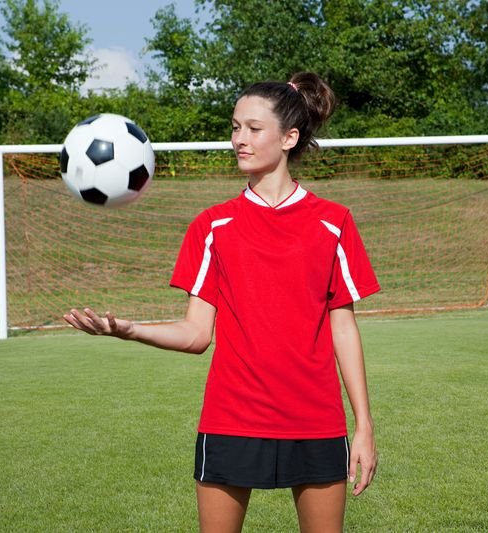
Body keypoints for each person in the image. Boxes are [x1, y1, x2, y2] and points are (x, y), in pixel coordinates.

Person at [64, 71, 380, 533]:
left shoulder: (333, 223)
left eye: (253, 129)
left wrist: (364, 426)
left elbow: (344, 328)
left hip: (316, 420)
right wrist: (127, 329)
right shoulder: (212, 227)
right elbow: (196, 335)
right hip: (233, 416)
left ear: (289, 137)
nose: (239, 140)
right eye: (235, 127)